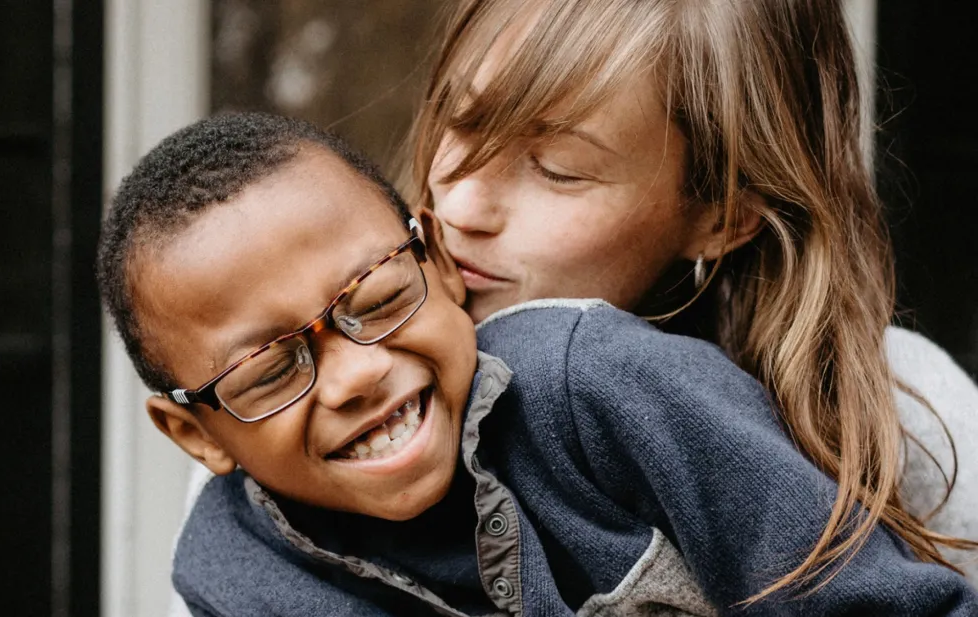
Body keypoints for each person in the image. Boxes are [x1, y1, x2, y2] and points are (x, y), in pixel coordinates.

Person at [100, 111, 978, 616]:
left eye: (374, 298)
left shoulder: (599, 385)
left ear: (438, 261)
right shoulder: (229, 575)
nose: (356, 373)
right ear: (193, 431)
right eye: (268, 372)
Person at [404, 0, 978, 593]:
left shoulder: (901, 416)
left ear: (725, 215)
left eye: (558, 168)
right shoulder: (345, 392)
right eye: (460, 120)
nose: (461, 206)